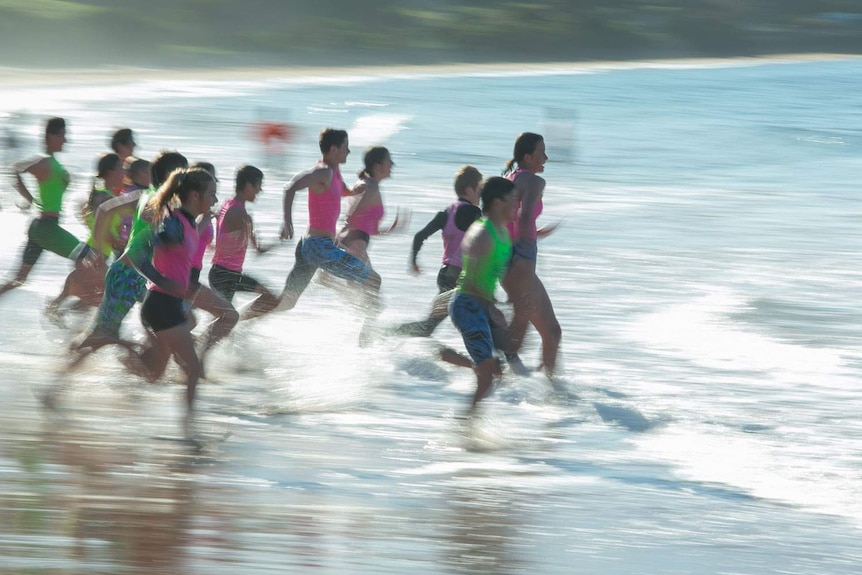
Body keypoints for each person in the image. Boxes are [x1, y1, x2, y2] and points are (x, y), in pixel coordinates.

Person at [70, 151, 188, 353]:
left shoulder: (160, 199)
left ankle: (160, 366)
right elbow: (105, 209)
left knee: (182, 318)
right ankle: (62, 368)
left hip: (142, 276)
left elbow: (106, 210)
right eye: (184, 174)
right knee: (102, 334)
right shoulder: (151, 198)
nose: (186, 179)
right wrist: (97, 251)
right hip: (126, 276)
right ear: (171, 175)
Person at [271, 128, 381, 339]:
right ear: (333, 149)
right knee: (373, 280)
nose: (349, 151)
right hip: (319, 247)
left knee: (287, 302)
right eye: (345, 147)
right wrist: (287, 222)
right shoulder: (323, 172)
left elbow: (345, 191)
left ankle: (239, 320)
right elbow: (290, 187)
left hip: (311, 246)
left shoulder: (334, 173)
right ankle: (367, 338)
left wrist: (362, 186)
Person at [136, 167, 217, 435]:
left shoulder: (189, 223)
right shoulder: (173, 224)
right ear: (195, 195)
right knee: (193, 369)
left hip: (166, 305)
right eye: (211, 194)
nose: (214, 200)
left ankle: (121, 358)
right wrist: (162, 280)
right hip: (161, 303)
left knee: (156, 373)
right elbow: (139, 254)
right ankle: (188, 431)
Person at [0, 117, 97, 300]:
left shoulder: (54, 164)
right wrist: (30, 199)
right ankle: (62, 306)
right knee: (88, 256)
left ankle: (63, 304)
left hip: (40, 229)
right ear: (51, 136)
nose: (65, 140)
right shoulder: (44, 161)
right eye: (62, 135)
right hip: (46, 228)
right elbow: (15, 170)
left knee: (19, 279)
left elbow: (51, 190)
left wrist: (63, 181)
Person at [449, 176, 514, 413]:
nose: (516, 204)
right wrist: (492, 307)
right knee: (487, 374)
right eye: (512, 200)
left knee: (498, 371)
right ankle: (466, 430)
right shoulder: (482, 232)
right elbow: (473, 279)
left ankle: (449, 358)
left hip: (482, 307)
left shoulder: (504, 234)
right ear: (497, 203)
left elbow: (497, 274)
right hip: (467, 305)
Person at [395, 165, 484, 338]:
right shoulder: (474, 213)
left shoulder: (446, 213)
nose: (481, 196)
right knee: (486, 319)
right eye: (479, 190)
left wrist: (414, 261)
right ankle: (497, 360)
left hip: (445, 275)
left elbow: (419, 236)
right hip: (461, 277)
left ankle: (383, 333)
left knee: (428, 327)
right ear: (468, 190)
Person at [501, 132, 561, 377]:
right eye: (541, 153)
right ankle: (549, 392)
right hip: (520, 261)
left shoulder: (508, 178)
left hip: (504, 260)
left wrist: (532, 234)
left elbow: (506, 218)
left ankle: (526, 382)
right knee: (549, 332)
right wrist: (524, 257)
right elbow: (523, 216)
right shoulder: (535, 182)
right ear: (527, 157)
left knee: (550, 331)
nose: (546, 157)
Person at [47, 152, 124, 314]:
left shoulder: (104, 195)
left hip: (94, 254)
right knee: (104, 299)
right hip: (93, 255)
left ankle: (61, 315)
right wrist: (116, 239)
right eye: (121, 168)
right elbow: (98, 223)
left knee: (90, 300)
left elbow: (88, 215)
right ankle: (60, 315)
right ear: (110, 172)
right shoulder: (105, 197)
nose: (124, 172)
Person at [208, 164, 278, 317]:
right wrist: (280, 240)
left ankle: (235, 324)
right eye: (258, 186)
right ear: (248, 185)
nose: (260, 190)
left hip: (222, 273)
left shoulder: (226, 205)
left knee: (223, 320)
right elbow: (258, 250)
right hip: (226, 275)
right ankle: (236, 323)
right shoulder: (241, 214)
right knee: (270, 300)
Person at [336, 146, 402, 263]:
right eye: (389, 160)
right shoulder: (372, 187)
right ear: (378, 166)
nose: (392, 164)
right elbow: (353, 215)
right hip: (355, 241)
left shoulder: (366, 183)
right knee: (369, 281)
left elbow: (369, 229)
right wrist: (340, 241)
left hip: (353, 240)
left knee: (370, 281)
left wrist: (391, 229)